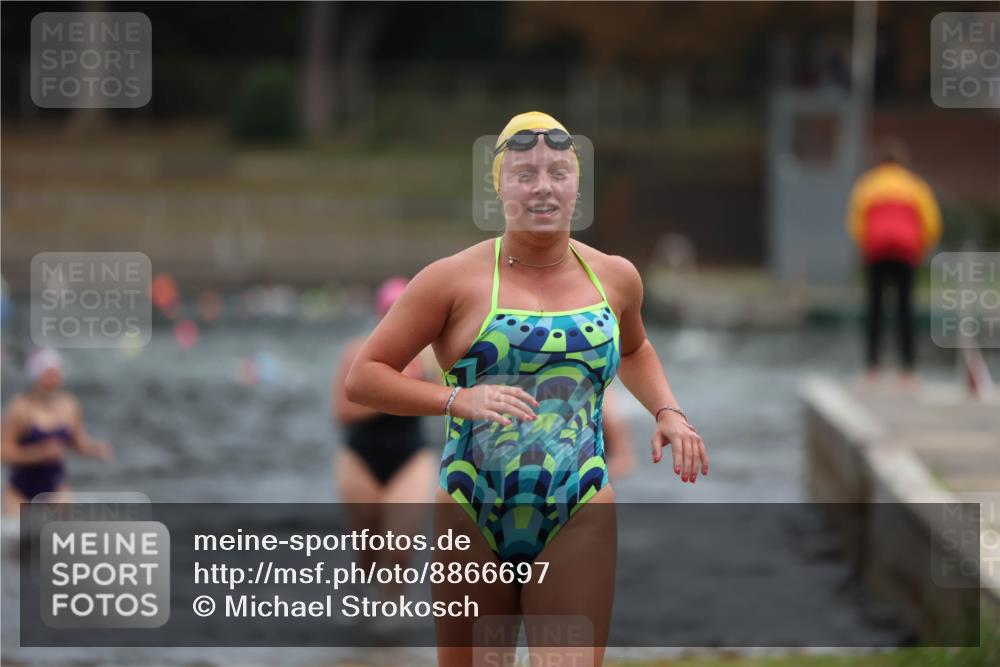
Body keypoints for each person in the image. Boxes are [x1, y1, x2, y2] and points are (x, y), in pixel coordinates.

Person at [345, 111, 708, 666]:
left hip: (578, 504)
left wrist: (668, 411)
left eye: (559, 172)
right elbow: (365, 376)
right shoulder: (451, 280)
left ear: (578, 185)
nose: (543, 187)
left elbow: (635, 349)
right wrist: (454, 399)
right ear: (500, 188)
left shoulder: (615, 277)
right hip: (472, 507)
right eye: (525, 174)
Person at [332, 277, 438, 591]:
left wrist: (420, 386)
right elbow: (343, 412)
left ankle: (393, 612)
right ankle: (364, 610)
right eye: (390, 314)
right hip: (360, 457)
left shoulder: (428, 357)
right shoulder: (357, 352)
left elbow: (450, 400)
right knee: (367, 555)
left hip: (410, 458)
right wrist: (389, 394)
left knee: (398, 552)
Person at [845, 137, 942, 386]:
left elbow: (855, 222)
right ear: (902, 161)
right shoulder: (915, 186)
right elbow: (931, 222)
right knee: (905, 309)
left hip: (876, 252)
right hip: (905, 253)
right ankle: (907, 370)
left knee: (875, 309)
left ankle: (872, 367)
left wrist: (864, 245)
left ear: (880, 161)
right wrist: (923, 246)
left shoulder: (867, 185)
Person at [2, 349, 113, 517]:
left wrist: (96, 449)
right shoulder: (20, 409)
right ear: (35, 377)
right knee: (19, 532)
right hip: (19, 492)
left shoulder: (69, 406)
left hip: (56, 489)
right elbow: (4, 453)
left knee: (59, 530)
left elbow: (79, 443)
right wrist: (39, 453)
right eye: (48, 376)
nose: (53, 381)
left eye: (56, 375)